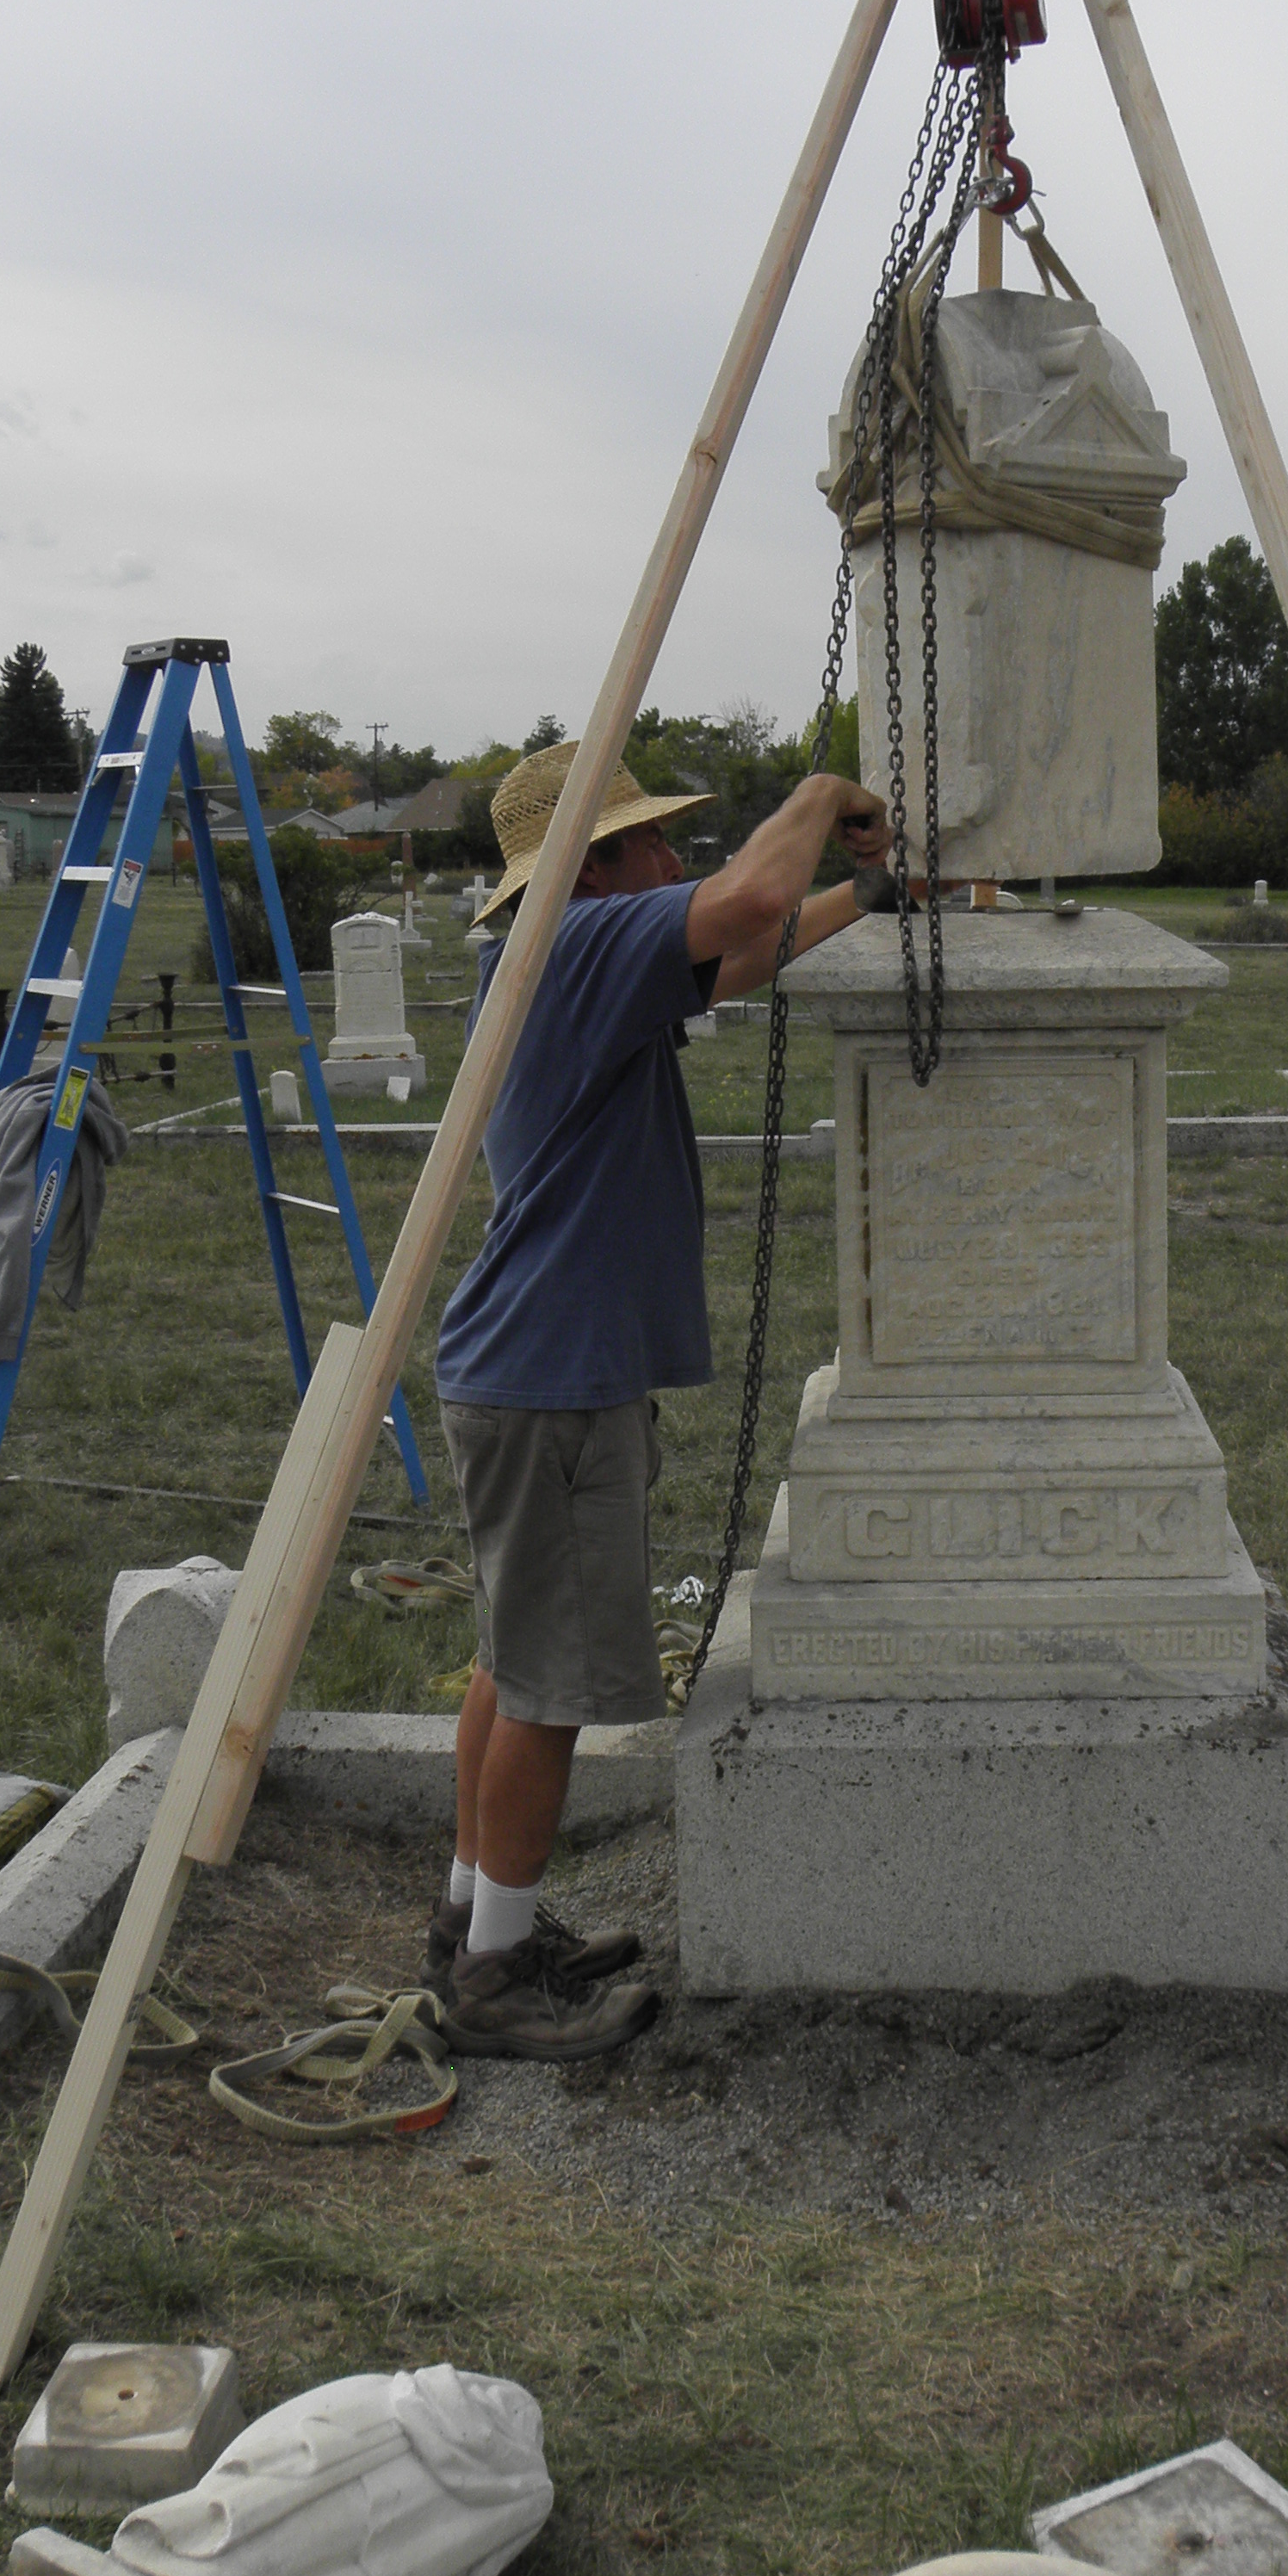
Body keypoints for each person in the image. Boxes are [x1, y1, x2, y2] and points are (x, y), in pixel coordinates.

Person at [424, 734, 890, 2059]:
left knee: (511, 1663)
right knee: (551, 1690)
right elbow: (742, 904)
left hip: (535, 1369)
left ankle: (473, 1921)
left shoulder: (555, 964)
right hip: (555, 1379)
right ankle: (493, 1986)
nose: (674, 857)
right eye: (647, 842)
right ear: (587, 869)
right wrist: (820, 797)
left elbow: (744, 955)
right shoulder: (573, 949)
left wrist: (876, 900)